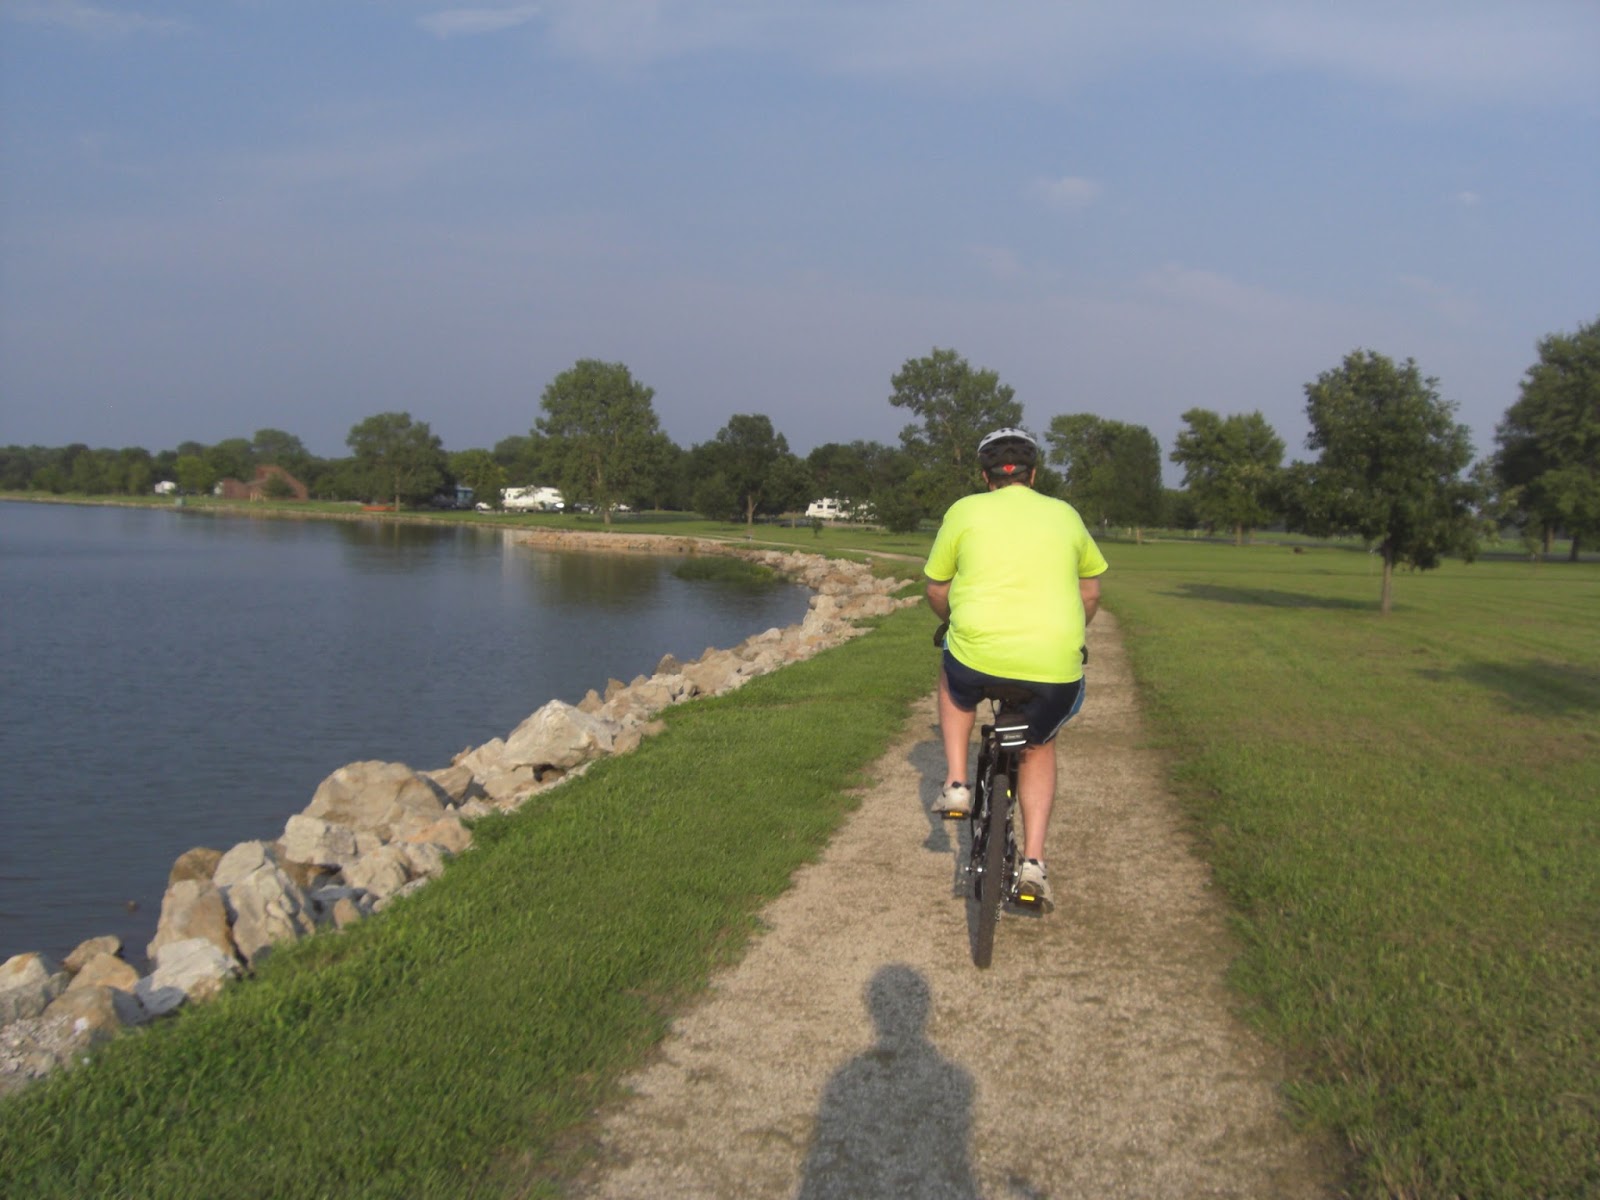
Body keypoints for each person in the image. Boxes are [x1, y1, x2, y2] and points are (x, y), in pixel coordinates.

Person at [923, 427, 1107, 912]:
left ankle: (958, 784)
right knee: (1039, 745)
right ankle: (1032, 865)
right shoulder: (1065, 514)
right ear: (1034, 474)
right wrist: (1072, 634)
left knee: (953, 678)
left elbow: (936, 589)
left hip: (977, 655)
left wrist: (953, 624)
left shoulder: (963, 511)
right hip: (1052, 668)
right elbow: (1090, 593)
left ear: (985, 477)